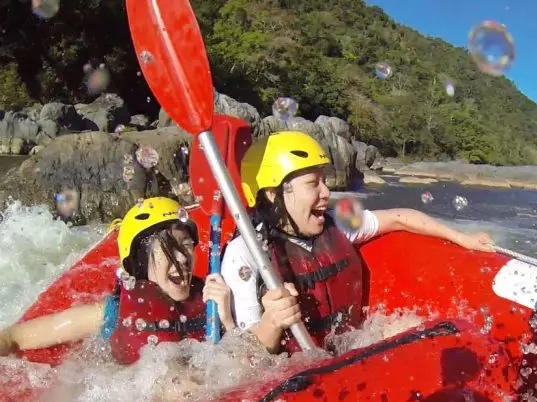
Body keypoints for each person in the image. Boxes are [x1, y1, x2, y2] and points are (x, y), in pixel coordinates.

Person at [220, 130, 496, 354]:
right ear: (272, 193)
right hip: (294, 374)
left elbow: (399, 217)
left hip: (348, 350)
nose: (326, 192)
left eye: (324, 181)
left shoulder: (336, 224)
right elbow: (246, 357)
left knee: (415, 329)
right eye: (313, 183)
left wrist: (462, 238)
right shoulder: (245, 252)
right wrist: (272, 321)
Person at [0, 197, 235, 365]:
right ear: (138, 263)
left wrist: (228, 322)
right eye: (169, 249)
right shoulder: (113, 313)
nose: (183, 257)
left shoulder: (215, 296)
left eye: (186, 245)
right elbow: (15, 337)